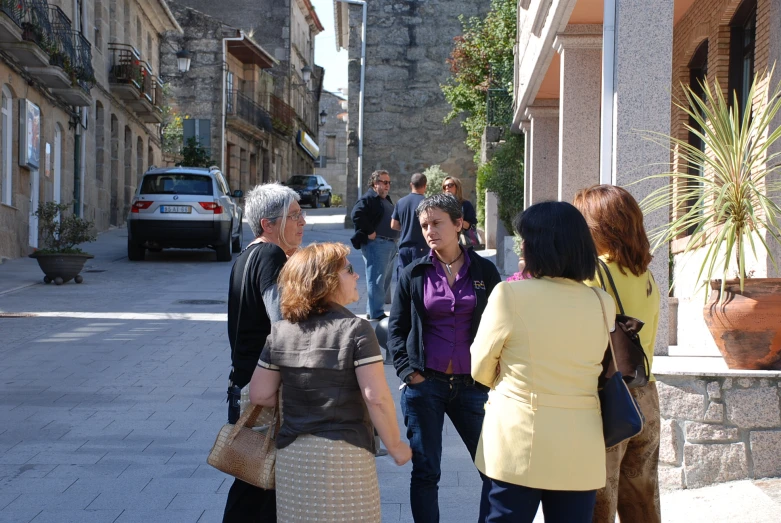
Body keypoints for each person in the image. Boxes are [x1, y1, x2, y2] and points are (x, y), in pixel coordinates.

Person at [470, 201, 615, 523]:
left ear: (541, 246)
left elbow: (479, 367)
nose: (522, 245)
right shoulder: (602, 302)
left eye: (527, 239)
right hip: (580, 442)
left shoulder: (510, 295)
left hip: (517, 438)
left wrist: (506, 379)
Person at [249, 242, 412, 522]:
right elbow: (376, 397)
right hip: (344, 456)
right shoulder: (357, 330)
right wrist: (395, 445)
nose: (356, 275)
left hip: (294, 456)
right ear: (327, 281)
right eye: (349, 270)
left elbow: (260, 394)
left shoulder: (281, 332)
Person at [388, 193, 501, 523]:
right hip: (426, 385)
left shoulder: (484, 271)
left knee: (494, 470)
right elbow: (396, 329)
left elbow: (500, 324)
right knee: (426, 473)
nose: (429, 231)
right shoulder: (414, 273)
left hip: (473, 387)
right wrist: (409, 373)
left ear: (458, 224)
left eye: (437, 223)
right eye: (424, 225)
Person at [574, 184, 662, 523]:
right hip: (647, 396)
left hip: (609, 399)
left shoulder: (591, 274)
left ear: (598, 226)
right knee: (642, 501)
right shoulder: (646, 274)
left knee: (599, 502)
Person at [223, 182, 305, 523]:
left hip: (247, 386)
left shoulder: (246, 257)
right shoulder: (270, 255)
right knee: (257, 489)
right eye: (294, 216)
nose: (303, 223)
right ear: (268, 224)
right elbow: (282, 321)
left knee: (257, 487)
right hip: (263, 393)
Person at [350, 170, 399, 320]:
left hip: (389, 245)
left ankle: (373, 311)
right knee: (376, 279)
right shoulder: (369, 198)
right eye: (384, 182)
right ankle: (376, 314)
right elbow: (356, 214)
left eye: (389, 183)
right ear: (375, 183)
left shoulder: (384, 199)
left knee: (382, 280)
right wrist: (370, 231)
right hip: (377, 245)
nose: (387, 186)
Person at [391, 172, 429, 276]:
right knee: (420, 279)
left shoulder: (401, 202)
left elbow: (393, 225)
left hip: (404, 247)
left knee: (404, 279)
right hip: (421, 247)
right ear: (425, 185)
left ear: (411, 184)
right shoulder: (427, 203)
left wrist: (407, 226)